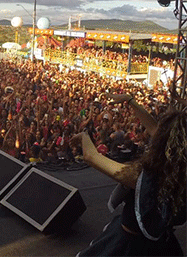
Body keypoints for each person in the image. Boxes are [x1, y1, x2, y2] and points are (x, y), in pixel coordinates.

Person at [72, 93, 186, 256]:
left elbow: (92, 157)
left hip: (130, 246)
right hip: (161, 245)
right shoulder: (180, 176)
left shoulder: (144, 177)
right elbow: (155, 129)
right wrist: (130, 101)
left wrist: (84, 136)